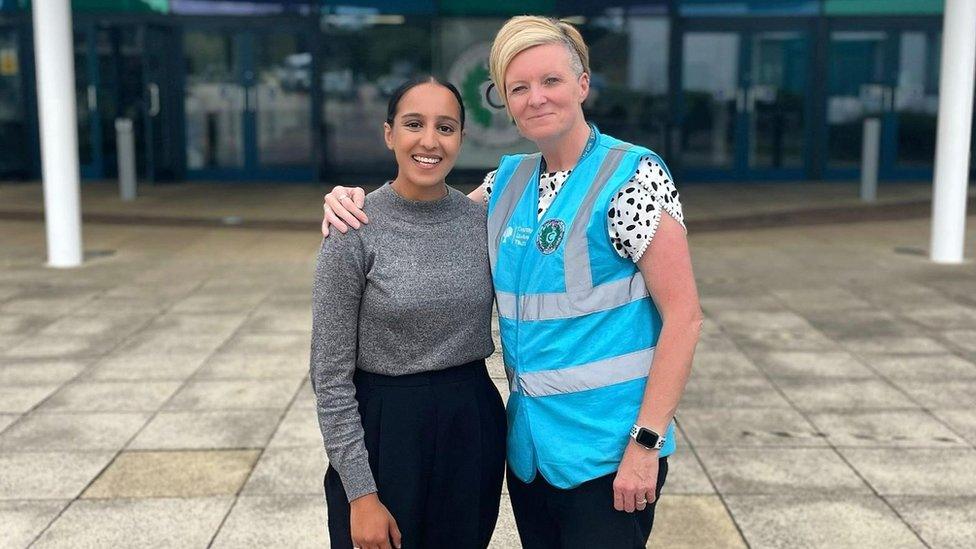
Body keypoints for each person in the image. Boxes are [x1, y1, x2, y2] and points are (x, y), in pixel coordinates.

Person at [321, 16, 702, 548]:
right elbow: (428, 217)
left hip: (609, 453)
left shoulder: (633, 177)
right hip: (531, 457)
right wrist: (352, 203)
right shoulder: (507, 184)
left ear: (583, 84)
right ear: (504, 101)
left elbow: (684, 317)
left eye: (551, 81)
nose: (536, 98)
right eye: (518, 87)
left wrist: (646, 444)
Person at [310, 76, 506, 549]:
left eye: (446, 127)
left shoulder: (482, 221)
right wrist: (360, 493)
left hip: (471, 421)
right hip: (384, 427)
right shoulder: (353, 228)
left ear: (462, 137)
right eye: (413, 124)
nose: (429, 141)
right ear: (389, 133)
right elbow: (329, 375)